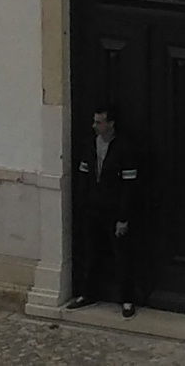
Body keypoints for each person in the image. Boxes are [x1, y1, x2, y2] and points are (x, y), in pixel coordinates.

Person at [74, 107, 140, 314]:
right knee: (90, 252)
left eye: (99, 122)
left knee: (121, 256)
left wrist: (123, 217)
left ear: (111, 124)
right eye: (94, 122)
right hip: (93, 209)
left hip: (114, 211)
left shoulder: (124, 148)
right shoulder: (89, 145)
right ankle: (88, 293)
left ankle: (127, 299)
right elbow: (83, 176)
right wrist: (83, 205)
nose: (95, 126)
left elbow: (129, 186)